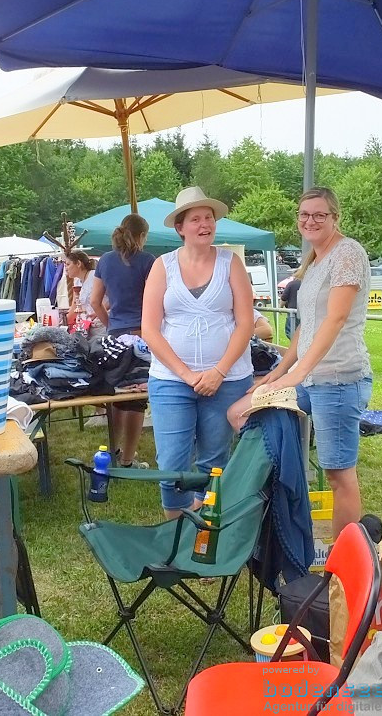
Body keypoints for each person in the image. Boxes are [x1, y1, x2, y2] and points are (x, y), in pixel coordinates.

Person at [229, 187, 372, 537]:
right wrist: (278, 372)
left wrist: (299, 373)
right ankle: (277, 512)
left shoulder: (347, 253)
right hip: (308, 377)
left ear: (334, 217)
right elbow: (306, 326)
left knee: (339, 474)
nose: (310, 220)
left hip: (338, 378)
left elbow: (335, 319)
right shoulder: (315, 259)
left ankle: (343, 566)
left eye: (320, 214)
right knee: (239, 412)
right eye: (304, 214)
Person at [142, 187, 254, 518]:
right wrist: (188, 375)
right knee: (172, 464)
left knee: (214, 462)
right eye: (195, 219)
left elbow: (245, 324)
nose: (204, 224)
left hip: (228, 379)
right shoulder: (162, 267)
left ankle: (205, 544)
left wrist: (218, 372)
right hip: (172, 381)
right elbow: (149, 328)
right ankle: (175, 541)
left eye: (209, 218)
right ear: (180, 227)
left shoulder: (230, 263)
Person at [93, 213, 154, 468]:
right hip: (142, 335)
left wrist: (111, 326)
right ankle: (128, 458)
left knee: (117, 396)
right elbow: (156, 300)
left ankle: (113, 450)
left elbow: (95, 302)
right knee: (137, 398)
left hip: (115, 335)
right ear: (141, 236)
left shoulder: (105, 261)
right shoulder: (147, 261)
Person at [64, 250, 97, 322]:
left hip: (102, 324)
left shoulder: (95, 276)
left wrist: (97, 313)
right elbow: (74, 307)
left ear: (78, 263)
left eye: (68, 264)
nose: (66, 268)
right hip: (87, 324)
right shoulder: (77, 281)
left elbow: (112, 299)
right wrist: (62, 323)